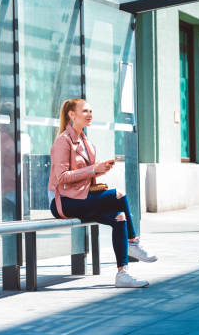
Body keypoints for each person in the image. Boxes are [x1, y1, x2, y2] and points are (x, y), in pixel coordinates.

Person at [48, 98, 157, 288]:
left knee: (119, 217)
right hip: (64, 202)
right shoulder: (63, 142)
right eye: (85, 111)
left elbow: (86, 175)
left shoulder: (86, 142)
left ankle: (123, 274)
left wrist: (99, 170)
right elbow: (61, 177)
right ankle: (133, 242)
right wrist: (93, 169)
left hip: (82, 197)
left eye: (91, 111)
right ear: (72, 115)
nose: (89, 115)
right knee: (119, 195)